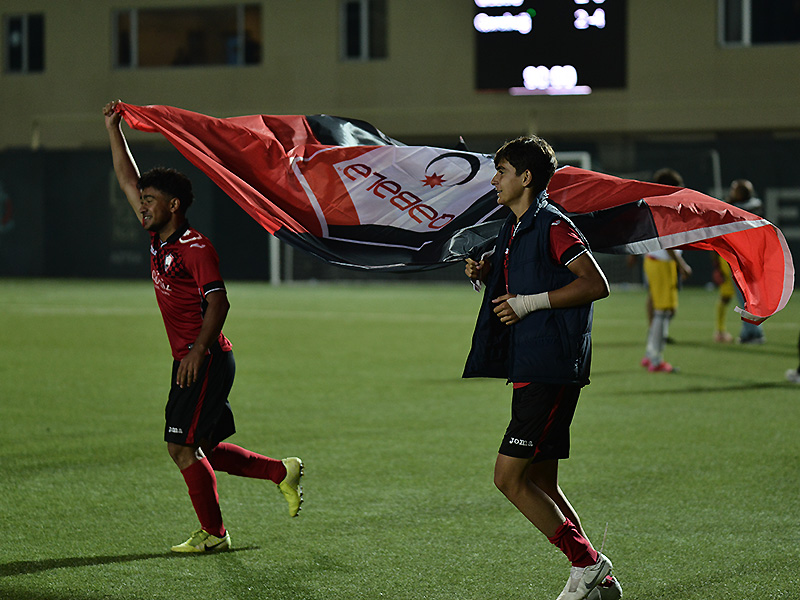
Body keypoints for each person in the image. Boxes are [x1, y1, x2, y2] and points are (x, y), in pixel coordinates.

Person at [103, 100, 303, 553]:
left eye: (150, 202)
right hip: (194, 358)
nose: (142, 206)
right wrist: (115, 128)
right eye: (143, 201)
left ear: (173, 206)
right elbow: (127, 180)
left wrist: (195, 352)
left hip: (206, 358)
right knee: (203, 445)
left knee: (180, 448)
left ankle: (214, 534)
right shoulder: (159, 235)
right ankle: (280, 471)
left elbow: (219, 301)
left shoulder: (195, 248)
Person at [463, 135, 620, 600]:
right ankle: (599, 581)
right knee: (540, 480)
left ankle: (588, 564)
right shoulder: (515, 227)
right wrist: (485, 272)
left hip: (550, 366)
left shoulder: (552, 224)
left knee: (509, 478)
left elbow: (596, 283)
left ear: (525, 178)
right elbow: (522, 276)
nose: (494, 180)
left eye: (502, 171)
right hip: (532, 362)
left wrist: (528, 303)